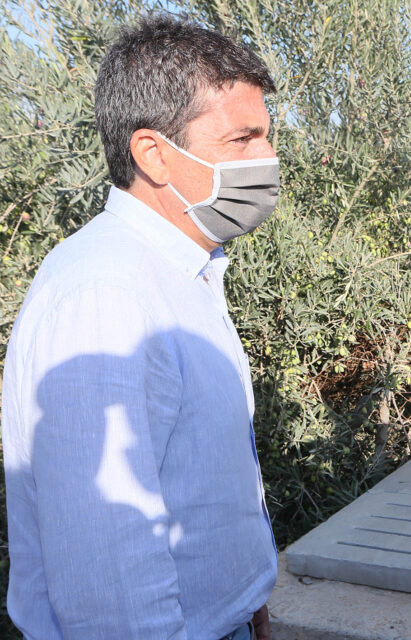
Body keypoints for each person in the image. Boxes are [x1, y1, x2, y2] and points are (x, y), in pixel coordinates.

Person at [2, 16, 280, 639]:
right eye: (243, 139)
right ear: (153, 153)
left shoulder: (181, 269)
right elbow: (108, 581)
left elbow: (197, 477)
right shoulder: (105, 295)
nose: (267, 159)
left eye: (267, 136)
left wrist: (246, 596)